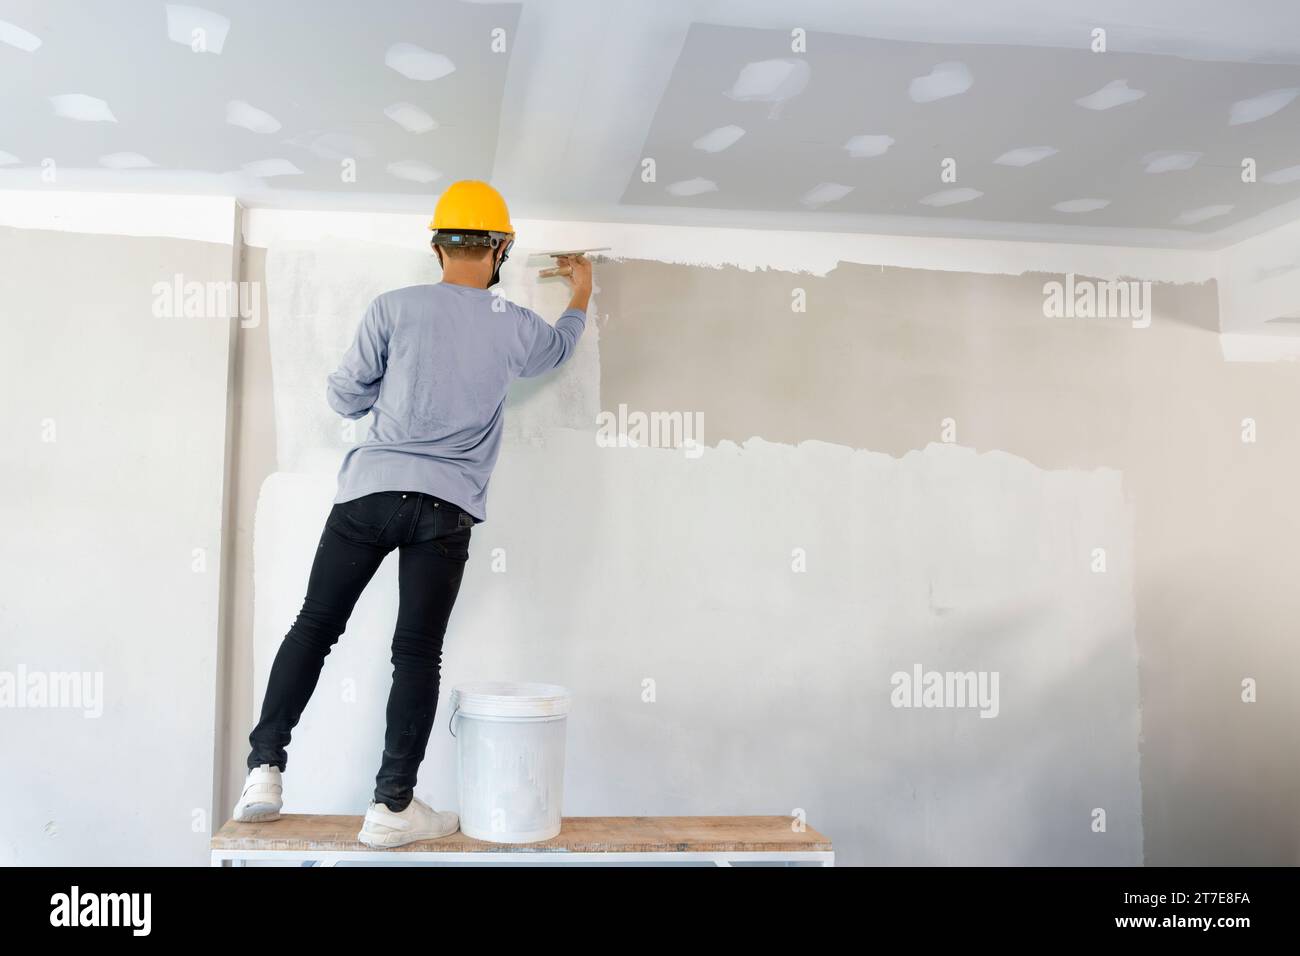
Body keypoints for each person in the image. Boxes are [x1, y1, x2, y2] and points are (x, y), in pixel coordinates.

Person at [232, 180, 592, 848]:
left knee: (314, 627)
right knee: (416, 653)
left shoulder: (392, 308)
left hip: (371, 491)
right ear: (501, 247)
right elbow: (561, 347)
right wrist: (582, 288)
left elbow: (344, 398)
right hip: (445, 507)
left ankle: (264, 771)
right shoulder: (512, 325)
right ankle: (392, 807)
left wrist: (389, 389)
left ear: (437, 245)